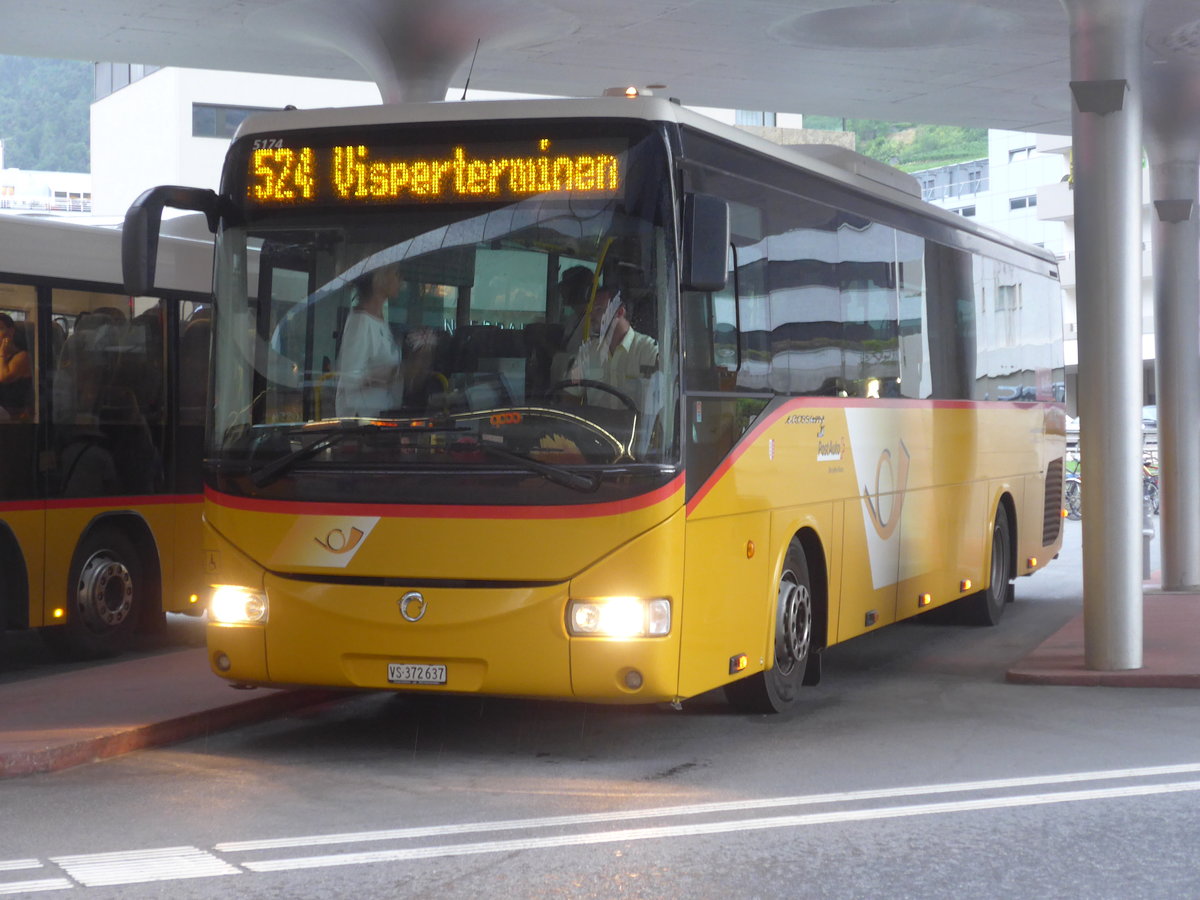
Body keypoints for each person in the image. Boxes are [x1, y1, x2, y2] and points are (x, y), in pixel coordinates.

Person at [569, 288, 659, 410]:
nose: (591, 315)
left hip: (636, 429)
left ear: (620, 312)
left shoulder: (649, 351)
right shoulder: (586, 353)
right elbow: (570, 395)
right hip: (594, 428)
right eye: (590, 310)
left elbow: (661, 404)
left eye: (599, 309)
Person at [335, 264, 405, 417]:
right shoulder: (360, 322)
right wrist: (390, 374)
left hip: (380, 415)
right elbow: (350, 378)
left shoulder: (379, 320)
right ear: (379, 279)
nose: (401, 281)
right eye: (396, 274)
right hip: (361, 422)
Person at [0, 312, 33, 420]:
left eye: (0, 328)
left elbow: (4, 377)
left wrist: (3, 354)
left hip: (12, 414)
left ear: (11, 331)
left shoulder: (22, 356)